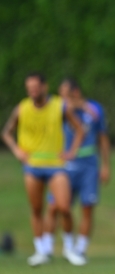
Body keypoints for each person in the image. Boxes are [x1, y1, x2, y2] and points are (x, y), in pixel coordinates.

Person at [1, 73, 84, 266]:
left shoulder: (59, 106)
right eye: (29, 88)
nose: (32, 91)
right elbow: (6, 132)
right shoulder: (22, 109)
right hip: (33, 165)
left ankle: (69, 248)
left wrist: (72, 151)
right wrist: (16, 150)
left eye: (36, 87)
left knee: (64, 206)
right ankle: (41, 250)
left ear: (44, 87)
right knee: (37, 209)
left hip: (55, 165)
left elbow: (79, 129)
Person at [42, 78, 111, 265]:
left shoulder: (95, 109)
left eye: (65, 93)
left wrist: (106, 165)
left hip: (89, 164)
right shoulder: (59, 109)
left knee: (87, 207)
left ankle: (80, 250)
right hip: (64, 165)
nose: (62, 97)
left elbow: (102, 137)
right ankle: (46, 248)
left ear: (76, 92)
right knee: (55, 206)